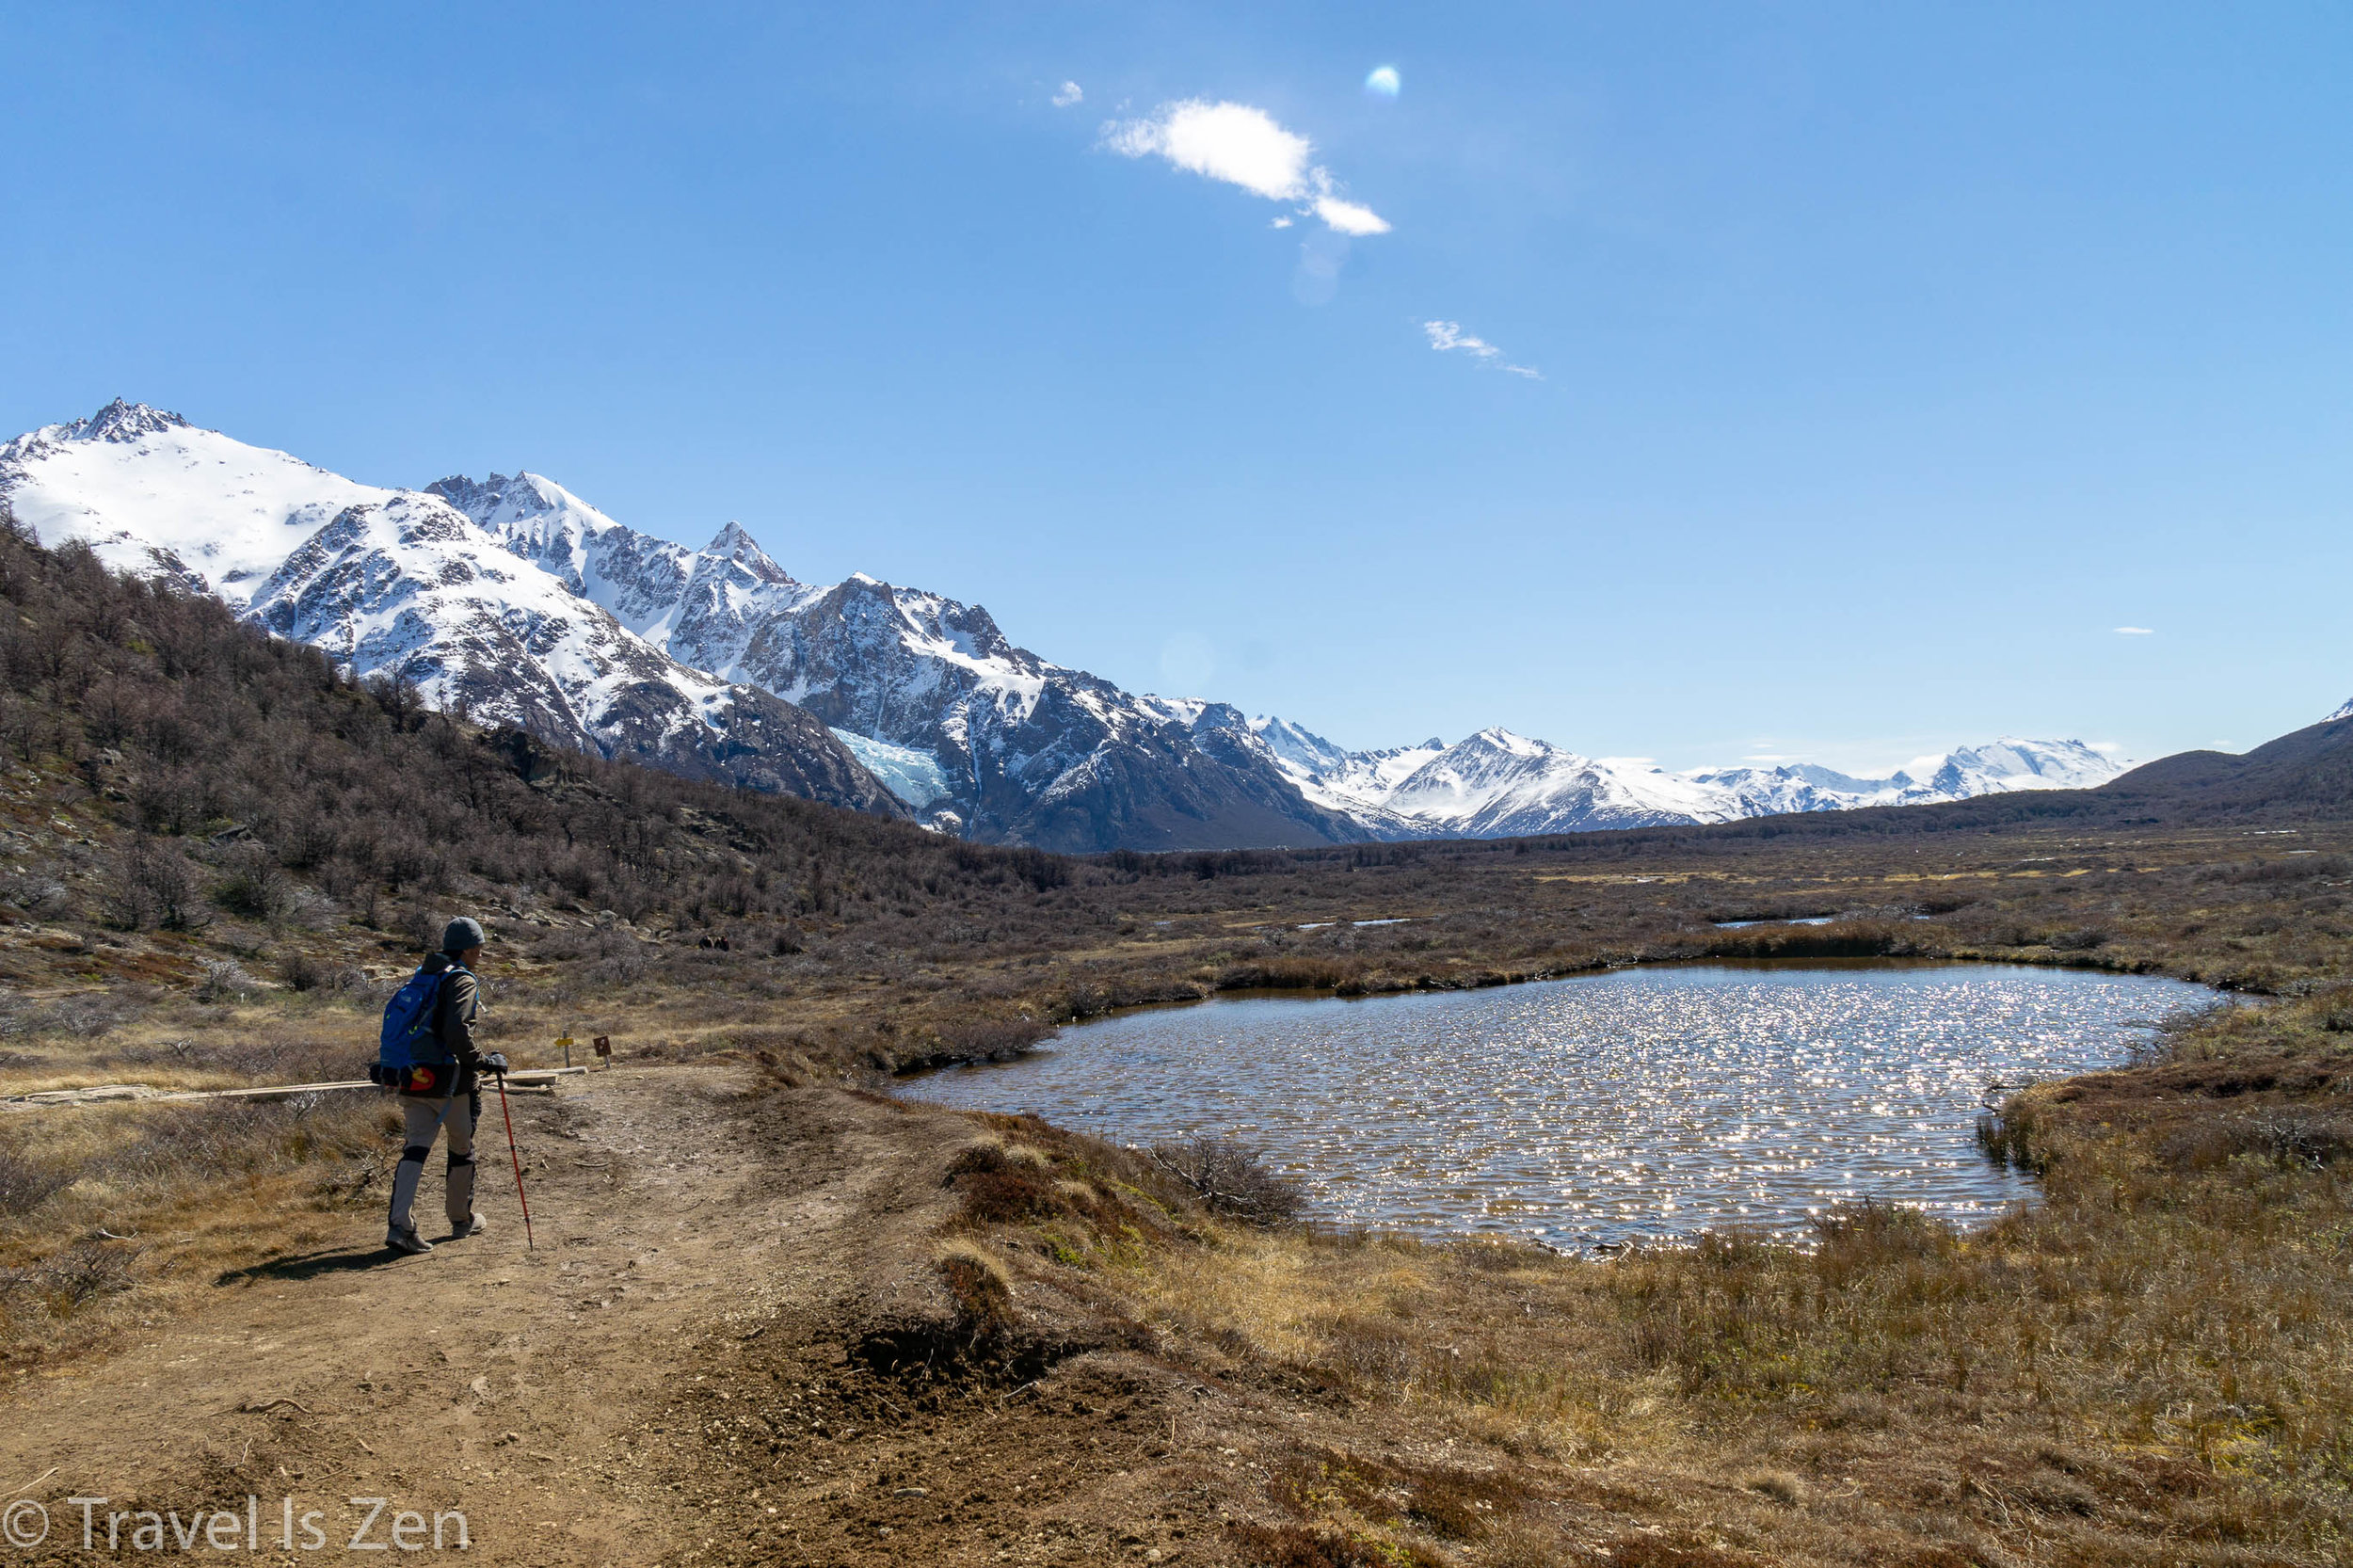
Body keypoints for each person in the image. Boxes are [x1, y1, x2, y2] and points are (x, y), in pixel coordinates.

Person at [386, 917, 509, 1255]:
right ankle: (460, 1219)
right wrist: (482, 1061)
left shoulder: (424, 975)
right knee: (461, 1146)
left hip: (413, 1075)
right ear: (469, 949)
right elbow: (457, 1030)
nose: (481, 956)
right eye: (480, 950)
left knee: (415, 1148)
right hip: (451, 1082)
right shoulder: (461, 980)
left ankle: (400, 1226)